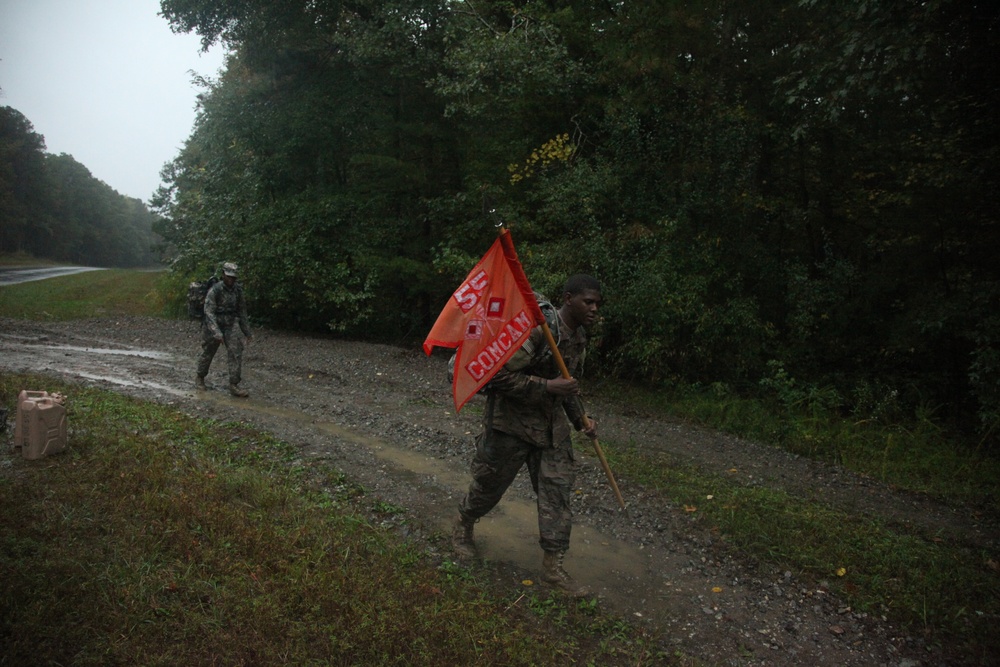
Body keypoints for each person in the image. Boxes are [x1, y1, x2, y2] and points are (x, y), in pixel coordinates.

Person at [452, 274, 602, 597]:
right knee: (488, 486)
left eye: (597, 304)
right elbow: (496, 375)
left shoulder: (578, 340)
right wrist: (546, 387)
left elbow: (569, 386)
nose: (594, 309)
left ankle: (553, 567)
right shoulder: (536, 331)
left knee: (557, 494)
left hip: (551, 431)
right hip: (512, 425)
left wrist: (582, 421)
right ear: (568, 299)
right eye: (588, 302)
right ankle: (463, 525)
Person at [196, 262, 253, 397]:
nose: (231, 280)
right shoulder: (215, 290)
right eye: (229, 277)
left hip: (230, 324)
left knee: (235, 352)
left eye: (233, 277)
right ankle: (200, 377)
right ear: (223, 275)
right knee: (208, 352)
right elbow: (209, 313)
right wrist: (216, 333)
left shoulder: (238, 291)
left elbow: (242, 312)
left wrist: (247, 332)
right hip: (213, 325)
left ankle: (234, 384)